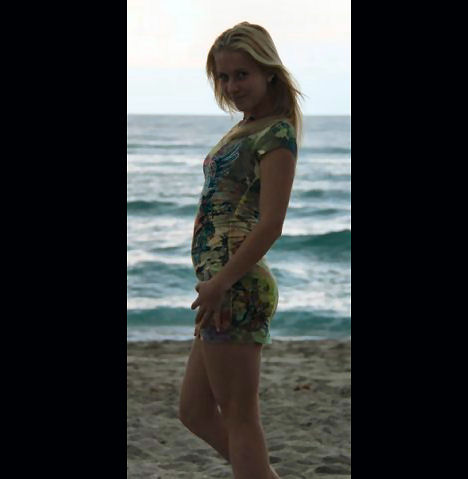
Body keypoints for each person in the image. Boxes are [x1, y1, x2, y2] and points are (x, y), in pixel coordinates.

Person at [178, 21, 305, 479]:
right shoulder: (246, 128)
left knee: (239, 418)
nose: (232, 86)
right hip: (222, 287)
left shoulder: (277, 135)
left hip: (236, 286)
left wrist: (220, 283)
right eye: (224, 77)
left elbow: (271, 223)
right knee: (194, 411)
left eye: (242, 74)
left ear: (269, 71)